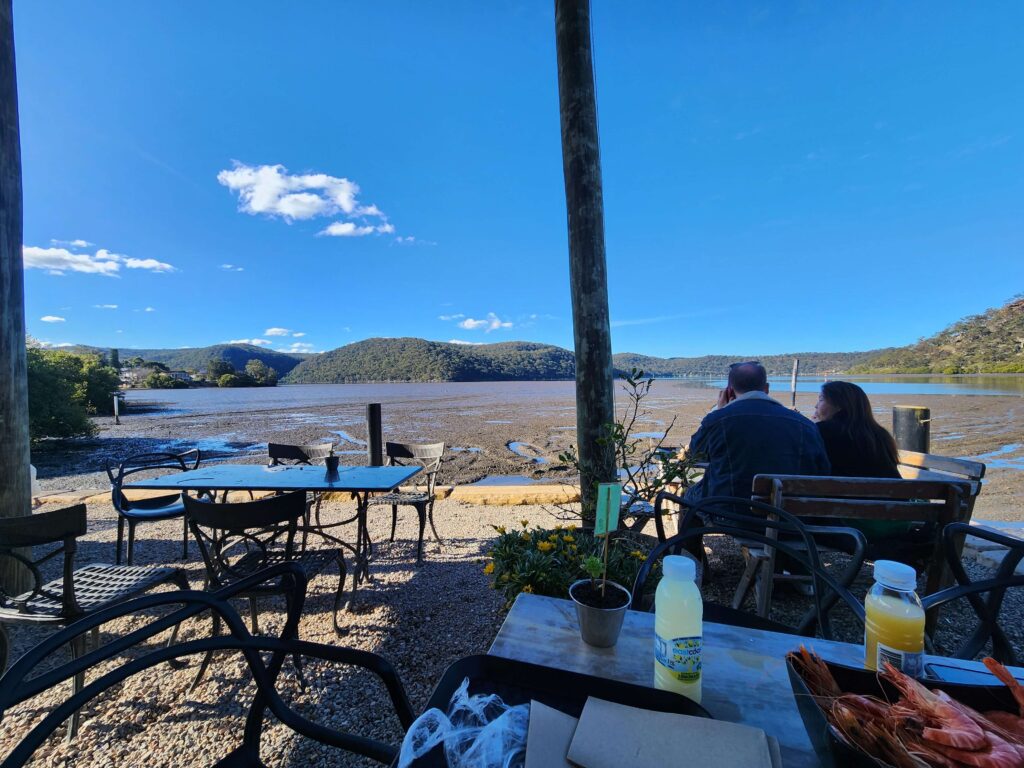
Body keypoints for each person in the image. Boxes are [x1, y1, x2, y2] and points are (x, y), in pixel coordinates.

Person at [683, 361, 830, 508]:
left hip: (729, 515)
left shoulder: (717, 420)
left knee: (689, 495)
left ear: (729, 391)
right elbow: (822, 470)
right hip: (789, 516)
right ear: (766, 388)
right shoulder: (805, 425)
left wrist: (718, 411)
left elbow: (694, 455)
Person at [813, 381, 901, 479]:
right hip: (889, 492)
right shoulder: (880, 434)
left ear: (839, 405)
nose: (816, 406)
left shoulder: (822, 431)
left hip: (841, 492)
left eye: (821, 399)